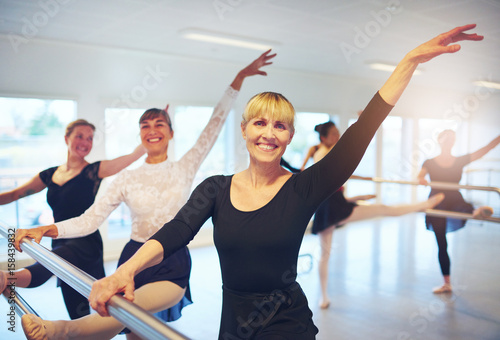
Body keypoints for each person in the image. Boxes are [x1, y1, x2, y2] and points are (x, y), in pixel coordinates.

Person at [21, 24, 482, 339]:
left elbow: (363, 132)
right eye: (259, 123)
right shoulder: (215, 189)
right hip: (233, 321)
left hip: (288, 323)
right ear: (245, 131)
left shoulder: (304, 187)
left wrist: (409, 61)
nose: (268, 132)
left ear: (289, 136)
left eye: (279, 126)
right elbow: (173, 233)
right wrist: (123, 272)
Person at [15, 49, 276, 340]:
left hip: (172, 261)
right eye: (145, 126)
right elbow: (89, 220)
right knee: (135, 333)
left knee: (124, 309)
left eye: (159, 124)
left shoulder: (185, 166)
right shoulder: (126, 177)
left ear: (171, 132)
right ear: (140, 135)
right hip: (133, 260)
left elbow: (215, 123)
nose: (152, 130)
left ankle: (61, 331)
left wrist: (238, 78)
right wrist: (46, 229)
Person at [0, 119, 145, 319]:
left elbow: (131, 157)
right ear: (66, 138)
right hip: (60, 239)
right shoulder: (50, 175)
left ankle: (8, 277)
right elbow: (15, 194)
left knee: (53, 265)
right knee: (76, 312)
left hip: (86, 244)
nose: (85, 142)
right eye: (79, 136)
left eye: (90, 138)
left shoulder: (94, 171)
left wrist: (149, 133)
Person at [304, 121, 445, 309]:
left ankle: (323, 298)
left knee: (325, 254)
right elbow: (342, 168)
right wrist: (363, 126)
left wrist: (359, 196)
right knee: (385, 209)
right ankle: (425, 204)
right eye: (334, 134)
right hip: (334, 210)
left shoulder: (321, 152)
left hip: (328, 209)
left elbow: (332, 190)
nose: (338, 137)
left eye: (339, 133)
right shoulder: (324, 154)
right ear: (324, 138)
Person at [417, 129, 500, 294]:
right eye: (447, 137)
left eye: (452, 138)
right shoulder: (429, 162)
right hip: (437, 202)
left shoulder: (460, 160)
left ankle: (476, 211)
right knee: (442, 243)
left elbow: (485, 149)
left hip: (453, 199)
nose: (449, 140)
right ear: (439, 140)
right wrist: (421, 179)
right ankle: (446, 283)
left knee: (463, 208)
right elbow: (419, 176)